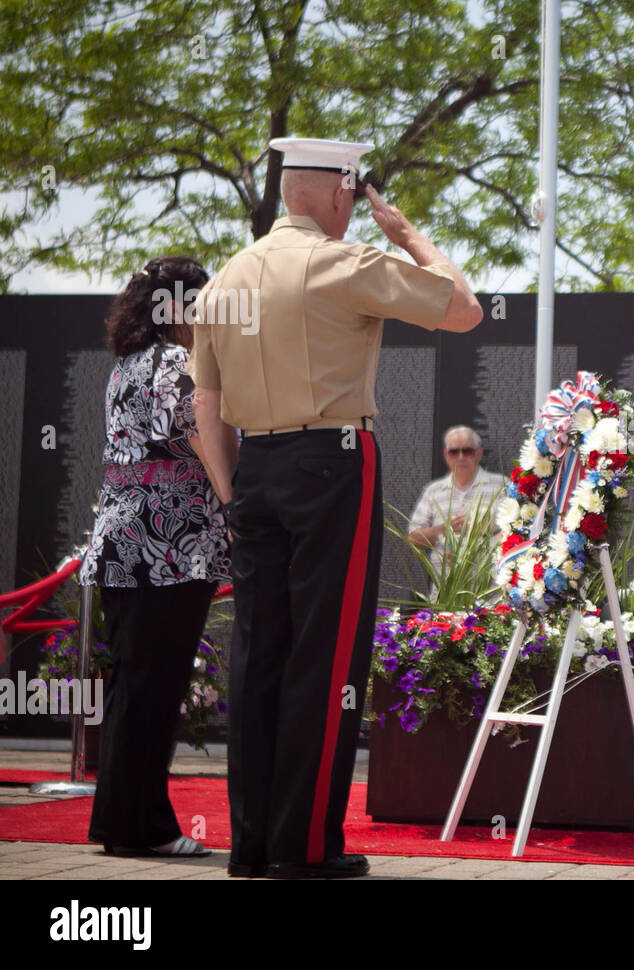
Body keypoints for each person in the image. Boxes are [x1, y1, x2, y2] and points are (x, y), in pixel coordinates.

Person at [188, 137, 483, 879]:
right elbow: (465, 309)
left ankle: (252, 848)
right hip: (330, 464)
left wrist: (232, 494)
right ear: (335, 194)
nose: (354, 206)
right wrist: (409, 235)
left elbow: (205, 409)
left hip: (253, 469)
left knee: (258, 657)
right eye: (352, 195)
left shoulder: (226, 278)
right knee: (326, 658)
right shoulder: (344, 263)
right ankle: (306, 849)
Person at [81, 256, 230, 858]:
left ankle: (119, 822)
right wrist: (233, 500)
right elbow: (198, 430)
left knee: (132, 686)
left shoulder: (125, 366)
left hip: (123, 542)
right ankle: (143, 827)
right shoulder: (174, 363)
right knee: (156, 687)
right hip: (169, 549)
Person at [407, 426, 506, 595]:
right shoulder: (434, 491)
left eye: (467, 451)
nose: (461, 458)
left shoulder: (500, 486)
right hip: (445, 594)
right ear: (446, 455)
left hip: (489, 594)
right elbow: (414, 538)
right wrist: (444, 530)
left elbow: (517, 531)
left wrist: (479, 532)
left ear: (478, 453)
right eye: (454, 452)